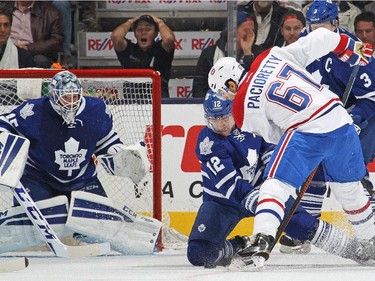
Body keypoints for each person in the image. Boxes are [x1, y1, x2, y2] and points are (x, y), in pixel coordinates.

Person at [207, 26, 375, 269]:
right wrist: (352, 48)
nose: (226, 97)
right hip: (340, 119)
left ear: (231, 84)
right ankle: (370, 239)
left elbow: (276, 135)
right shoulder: (271, 56)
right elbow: (322, 37)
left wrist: (308, 153)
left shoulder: (241, 109)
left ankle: (262, 237)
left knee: (275, 184)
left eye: (223, 92)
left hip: (307, 131)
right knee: (349, 191)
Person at [187, 90, 375, 268]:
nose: (220, 125)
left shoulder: (251, 122)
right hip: (224, 203)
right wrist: (264, 203)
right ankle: (241, 244)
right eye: (214, 119)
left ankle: (356, 250)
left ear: (233, 110)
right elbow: (231, 188)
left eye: (224, 117)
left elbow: (271, 150)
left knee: (305, 226)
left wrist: (276, 180)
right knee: (199, 253)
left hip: (261, 191)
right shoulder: (208, 143)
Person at [0, 70, 161, 255]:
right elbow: (4, 123)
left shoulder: (95, 109)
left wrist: (119, 156)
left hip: (83, 180)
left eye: (74, 97)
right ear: (53, 96)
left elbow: (106, 142)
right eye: (65, 97)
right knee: (32, 231)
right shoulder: (33, 110)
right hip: (38, 177)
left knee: (101, 226)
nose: (70, 102)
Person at [279, 0, 375, 254]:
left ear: (336, 23)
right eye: (313, 27)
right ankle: (306, 230)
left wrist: (354, 121)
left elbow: (370, 98)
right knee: (313, 165)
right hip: (320, 115)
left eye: (323, 27)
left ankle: (372, 230)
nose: (318, 32)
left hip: (359, 117)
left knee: (351, 172)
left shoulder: (356, 51)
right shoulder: (304, 45)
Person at [192, 11, 263, 98]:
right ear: (232, 31)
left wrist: (248, 53)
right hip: (215, 107)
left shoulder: (259, 53)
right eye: (245, 30)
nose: (250, 34)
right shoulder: (210, 53)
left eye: (253, 31)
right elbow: (198, 89)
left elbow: (258, 85)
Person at [111, 14, 175, 98]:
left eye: (148, 29)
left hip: (159, 103)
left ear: (156, 33)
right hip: (131, 104)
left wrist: (160, 22)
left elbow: (169, 39)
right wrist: (130, 21)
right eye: (139, 29)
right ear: (135, 34)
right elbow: (116, 37)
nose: (143, 32)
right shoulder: (129, 49)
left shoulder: (161, 49)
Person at [0, 1, 64, 68]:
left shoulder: (49, 12)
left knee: (39, 60)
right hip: (6, 49)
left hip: (34, 53)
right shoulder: (4, 7)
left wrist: (29, 47)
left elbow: (57, 40)